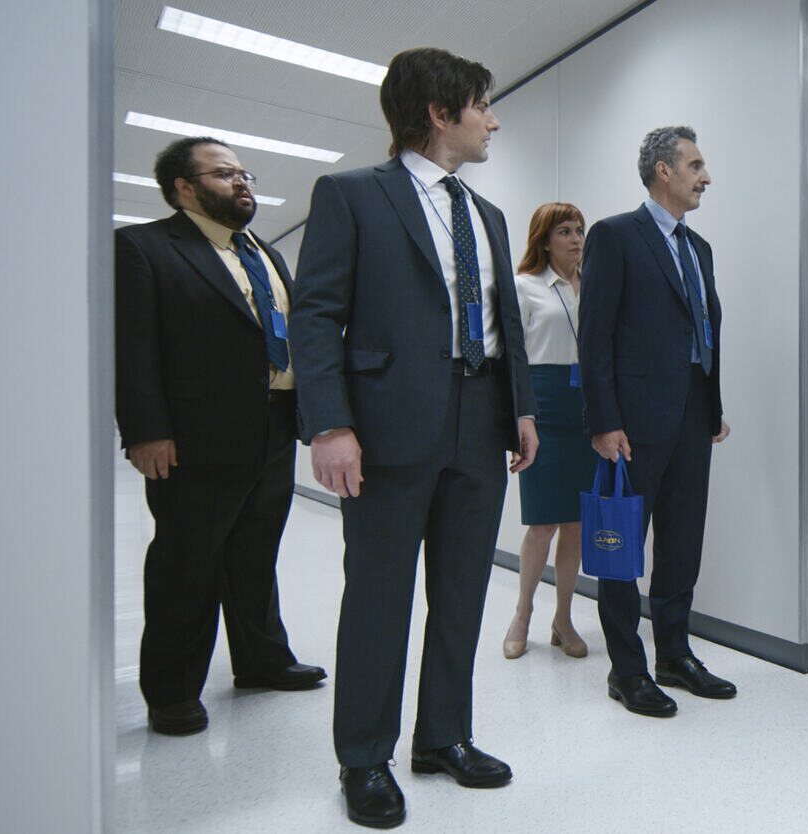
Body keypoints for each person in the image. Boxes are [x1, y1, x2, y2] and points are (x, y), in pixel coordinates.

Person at [291, 47, 539, 829]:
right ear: (439, 113)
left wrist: (522, 408)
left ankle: (443, 737)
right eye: (482, 106)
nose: (492, 120)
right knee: (379, 597)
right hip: (387, 427)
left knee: (462, 591)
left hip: (481, 420)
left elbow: (503, 325)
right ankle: (365, 758)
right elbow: (315, 314)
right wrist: (330, 423)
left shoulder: (487, 215)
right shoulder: (352, 195)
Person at [114, 136, 327, 737]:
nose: (241, 182)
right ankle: (172, 690)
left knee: (256, 550)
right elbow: (133, 348)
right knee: (188, 561)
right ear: (184, 187)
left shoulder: (263, 252)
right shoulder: (144, 247)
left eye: (243, 173)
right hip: (194, 436)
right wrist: (146, 431)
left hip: (274, 423)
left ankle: (262, 659)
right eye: (224, 173)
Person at [577, 126, 735, 718]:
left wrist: (712, 406)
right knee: (621, 546)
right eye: (695, 165)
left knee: (682, 541)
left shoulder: (699, 248)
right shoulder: (616, 236)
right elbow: (594, 335)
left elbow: (704, 330)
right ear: (663, 171)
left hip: (693, 414)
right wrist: (603, 420)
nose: (706, 177)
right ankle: (627, 670)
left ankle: (674, 654)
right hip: (633, 422)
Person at [500, 202, 593, 660]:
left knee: (576, 522)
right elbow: (513, 358)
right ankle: (522, 614)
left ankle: (564, 618)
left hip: (586, 411)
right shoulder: (525, 287)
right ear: (544, 239)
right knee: (542, 523)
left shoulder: (593, 286)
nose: (575, 239)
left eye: (579, 230)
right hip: (544, 408)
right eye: (565, 231)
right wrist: (521, 417)